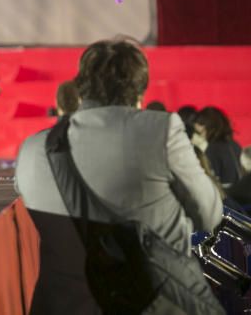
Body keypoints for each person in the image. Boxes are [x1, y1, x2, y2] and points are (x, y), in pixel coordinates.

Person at [15, 37, 222, 312]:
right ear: (140, 90)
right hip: (150, 303)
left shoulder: (33, 149)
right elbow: (209, 215)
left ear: (81, 87)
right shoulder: (160, 131)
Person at [195, 106, 243, 187]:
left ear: (206, 127)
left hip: (224, 194)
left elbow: (210, 181)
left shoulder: (213, 149)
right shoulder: (234, 144)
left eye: (198, 132)